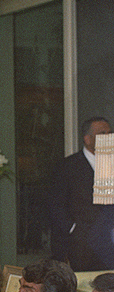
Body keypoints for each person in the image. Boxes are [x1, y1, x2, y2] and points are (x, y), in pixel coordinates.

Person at [49, 116, 112, 271]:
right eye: (102, 134)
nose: (108, 138)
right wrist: (73, 229)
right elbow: (55, 205)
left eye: (110, 134)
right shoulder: (67, 167)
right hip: (81, 246)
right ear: (87, 139)